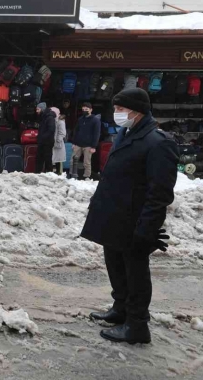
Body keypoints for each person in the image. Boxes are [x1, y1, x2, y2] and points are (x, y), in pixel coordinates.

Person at [81, 88, 178, 345]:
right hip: (114, 217)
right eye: (116, 109)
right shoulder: (126, 133)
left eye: (121, 110)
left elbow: (160, 193)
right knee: (115, 265)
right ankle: (120, 308)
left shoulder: (159, 142)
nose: (117, 114)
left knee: (135, 273)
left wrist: (147, 229)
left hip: (134, 221)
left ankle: (136, 325)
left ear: (137, 111)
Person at [70, 102, 101, 180]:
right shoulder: (80, 119)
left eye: (86, 109)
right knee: (72, 160)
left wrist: (94, 146)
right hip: (78, 144)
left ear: (91, 110)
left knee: (86, 162)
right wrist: (74, 142)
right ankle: (71, 174)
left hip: (88, 145)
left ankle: (87, 176)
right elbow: (76, 131)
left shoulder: (95, 120)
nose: (84, 110)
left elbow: (96, 134)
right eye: (83, 109)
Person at [35, 102, 56, 173]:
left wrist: (42, 137)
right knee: (39, 158)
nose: (36, 111)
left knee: (47, 159)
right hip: (42, 141)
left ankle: (49, 173)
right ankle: (38, 172)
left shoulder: (50, 118)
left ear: (42, 109)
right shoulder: (43, 117)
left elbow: (51, 130)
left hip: (48, 142)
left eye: (38, 109)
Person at [51, 107, 67, 174]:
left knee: (58, 160)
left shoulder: (60, 122)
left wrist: (57, 140)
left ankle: (59, 173)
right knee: (54, 159)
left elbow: (62, 133)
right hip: (53, 143)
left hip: (58, 144)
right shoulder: (54, 120)